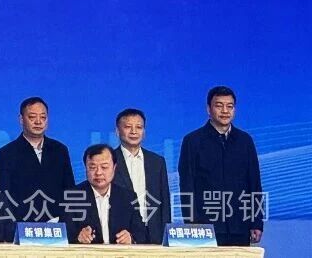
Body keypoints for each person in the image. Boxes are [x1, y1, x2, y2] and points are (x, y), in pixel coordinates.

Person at [178, 86, 264, 247]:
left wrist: (256, 222)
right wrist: (191, 222)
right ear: (208, 109)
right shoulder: (193, 141)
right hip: (206, 226)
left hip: (240, 225)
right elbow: (187, 185)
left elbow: (254, 183)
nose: (225, 111)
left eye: (229, 106)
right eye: (219, 105)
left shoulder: (245, 141)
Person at [0, 96, 74, 222]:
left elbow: (70, 190)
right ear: (21, 119)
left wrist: (67, 222)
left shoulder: (60, 150)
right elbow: (2, 196)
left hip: (57, 226)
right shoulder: (7, 153)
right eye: (32, 117)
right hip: (22, 226)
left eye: (43, 117)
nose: (38, 122)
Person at [64, 145, 147, 245]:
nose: (98, 172)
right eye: (92, 167)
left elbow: (142, 234)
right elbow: (63, 236)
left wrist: (131, 239)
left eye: (104, 167)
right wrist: (78, 238)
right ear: (85, 168)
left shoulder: (128, 197)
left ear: (114, 167)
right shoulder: (73, 197)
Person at [111, 108, 171, 244]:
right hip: (121, 234)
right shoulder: (109, 161)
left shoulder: (157, 162)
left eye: (139, 127)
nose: (134, 131)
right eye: (128, 127)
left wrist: (165, 234)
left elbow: (164, 201)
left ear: (144, 132)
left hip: (154, 233)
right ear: (117, 131)